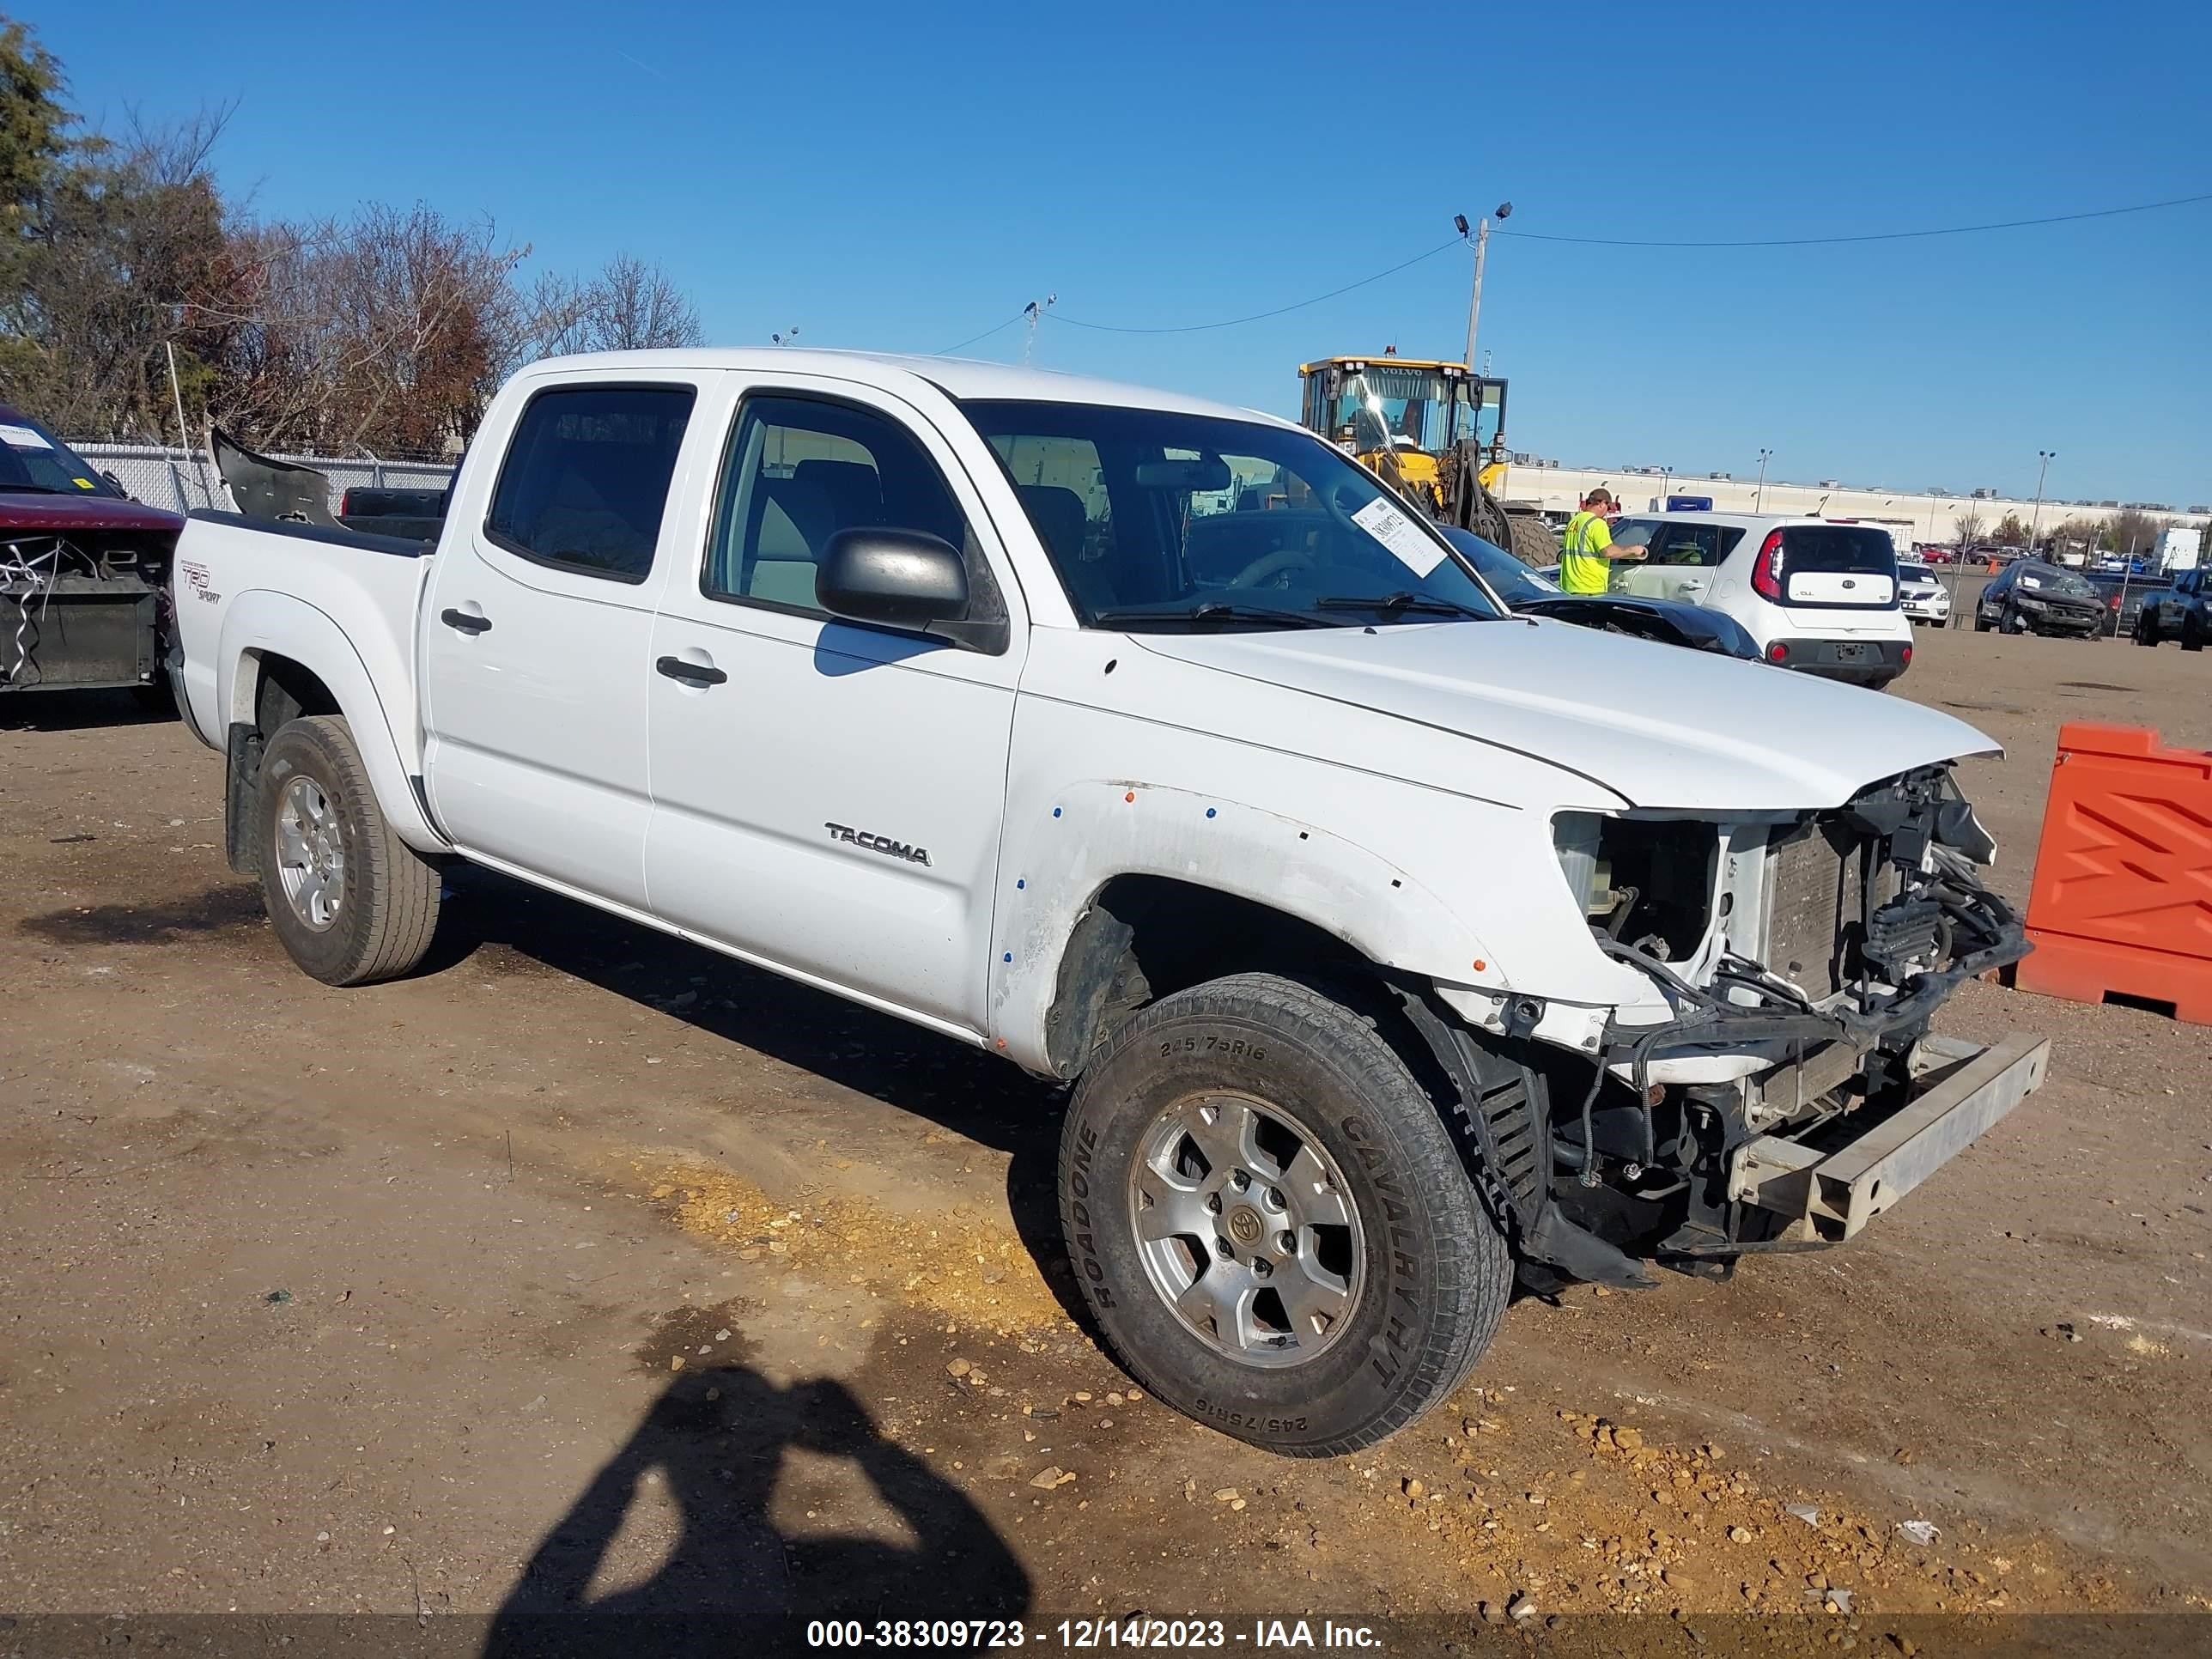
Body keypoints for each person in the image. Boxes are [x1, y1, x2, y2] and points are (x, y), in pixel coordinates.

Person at [1559, 488, 1644, 594]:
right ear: (1602, 504)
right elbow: (1608, 551)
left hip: (1569, 586)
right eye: (1608, 508)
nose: (1607, 512)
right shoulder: (1597, 523)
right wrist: (1633, 550)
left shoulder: (1575, 521)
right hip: (1589, 588)